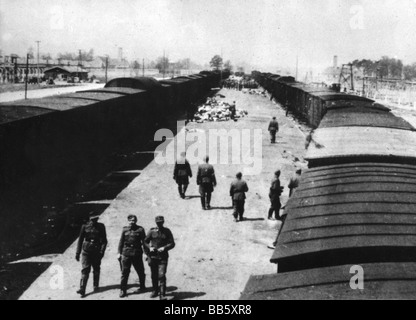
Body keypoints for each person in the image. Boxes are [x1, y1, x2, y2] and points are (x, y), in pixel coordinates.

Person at [75, 212, 107, 298]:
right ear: (90, 219)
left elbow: (104, 241)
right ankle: (82, 289)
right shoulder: (84, 227)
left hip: (96, 251)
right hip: (86, 251)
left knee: (96, 268)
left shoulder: (101, 227)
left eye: (96, 219)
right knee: (85, 269)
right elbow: (80, 240)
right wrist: (78, 253)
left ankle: (95, 285)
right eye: (93, 219)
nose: (94, 221)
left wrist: (102, 252)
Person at [144, 216, 175, 300]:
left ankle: (162, 294)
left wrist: (164, 248)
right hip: (153, 256)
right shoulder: (151, 231)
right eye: (158, 222)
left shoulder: (167, 231)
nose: (159, 224)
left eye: (161, 222)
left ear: (163, 222)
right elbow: (145, 241)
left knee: (161, 275)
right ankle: (155, 291)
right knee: (154, 275)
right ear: (155, 222)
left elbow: (172, 243)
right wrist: (149, 248)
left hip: (163, 257)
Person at [118, 214, 146, 298]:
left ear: (136, 221)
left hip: (137, 253)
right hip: (126, 253)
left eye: (133, 220)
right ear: (128, 221)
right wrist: (118, 253)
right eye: (130, 220)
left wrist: (145, 253)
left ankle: (142, 286)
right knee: (124, 272)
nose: (132, 222)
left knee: (140, 271)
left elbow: (144, 242)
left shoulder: (140, 230)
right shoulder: (124, 230)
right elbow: (121, 242)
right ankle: (123, 290)